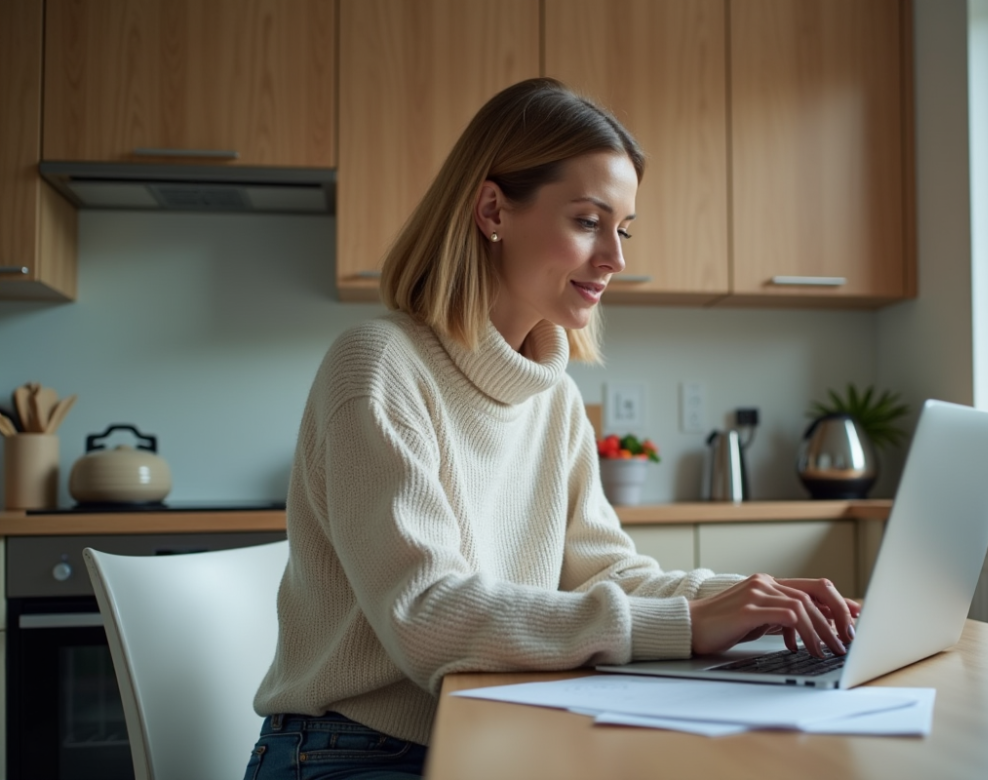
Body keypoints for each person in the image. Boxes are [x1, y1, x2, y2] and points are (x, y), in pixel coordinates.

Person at [244, 77, 859, 780]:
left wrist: (753, 601)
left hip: (490, 730)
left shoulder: (554, 395)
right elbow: (426, 615)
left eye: (622, 229)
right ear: (492, 209)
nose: (616, 259)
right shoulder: (378, 365)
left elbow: (609, 574)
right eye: (589, 221)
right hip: (348, 752)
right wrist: (689, 625)